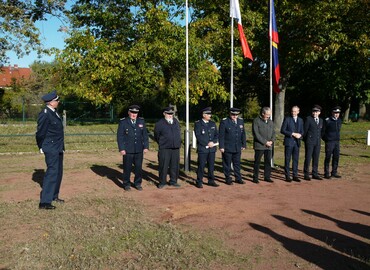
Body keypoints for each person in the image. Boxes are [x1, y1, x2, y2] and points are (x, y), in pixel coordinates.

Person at [35, 90, 64, 210]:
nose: (58, 102)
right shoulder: (45, 113)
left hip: (58, 147)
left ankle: (54, 195)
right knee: (51, 173)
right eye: (57, 100)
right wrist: (41, 146)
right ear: (51, 102)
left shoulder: (54, 112)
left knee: (58, 172)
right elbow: (40, 133)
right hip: (50, 147)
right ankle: (44, 202)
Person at [117, 105, 149, 191]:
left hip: (139, 149)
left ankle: (137, 183)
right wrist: (122, 148)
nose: (134, 114)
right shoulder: (123, 122)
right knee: (127, 168)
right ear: (129, 112)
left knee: (138, 168)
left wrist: (146, 146)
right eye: (132, 112)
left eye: (136, 113)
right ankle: (126, 184)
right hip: (128, 150)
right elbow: (120, 136)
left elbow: (145, 135)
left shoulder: (141, 121)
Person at [154, 106, 182, 188]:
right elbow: (157, 136)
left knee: (175, 165)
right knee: (163, 165)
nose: (170, 115)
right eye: (168, 114)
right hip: (165, 148)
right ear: (164, 114)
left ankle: (173, 181)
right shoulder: (159, 123)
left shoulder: (176, 122)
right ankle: (162, 182)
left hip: (175, 148)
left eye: (171, 114)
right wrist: (163, 142)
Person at [219, 107, 246, 185]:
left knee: (237, 163)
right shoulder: (224, 122)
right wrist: (221, 146)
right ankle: (228, 178)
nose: (235, 116)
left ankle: (238, 178)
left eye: (236, 115)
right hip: (227, 147)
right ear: (230, 114)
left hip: (237, 146)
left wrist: (243, 144)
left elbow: (243, 133)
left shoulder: (240, 121)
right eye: (233, 114)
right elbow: (221, 135)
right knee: (227, 164)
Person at [194, 107, 219, 188]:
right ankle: (199, 181)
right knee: (201, 165)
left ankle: (211, 180)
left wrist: (213, 142)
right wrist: (207, 143)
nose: (210, 115)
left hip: (212, 149)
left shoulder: (212, 123)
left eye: (210, 114)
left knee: (211, 166)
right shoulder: (198, 124)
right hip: (203, 148)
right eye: (208, 114)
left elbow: (216, 135)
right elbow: (198, 136)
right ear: (203, 115)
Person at [280, 106, 304, 182]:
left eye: (295, 111)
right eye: (292, 111)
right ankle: (287, 176)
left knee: (295, 160)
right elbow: (282, 130)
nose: (293, 113)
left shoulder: (300, 120)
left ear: (298, 111)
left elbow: (302, 131)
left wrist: (300, 135)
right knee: (287, 159)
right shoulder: (287, 119)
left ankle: (295, 175)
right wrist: (292, 134)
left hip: (297, 143)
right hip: (289, 142)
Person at [252, 107, 276, 183]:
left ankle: (267, 177)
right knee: (257, 162)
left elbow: (274, 133)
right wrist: (265, 142)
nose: (269, 116)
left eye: (270, 114)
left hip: (269, 146)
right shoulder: (256, 121)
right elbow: (256, 134)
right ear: (263, 113)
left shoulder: (271, 122)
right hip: (260, 145)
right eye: (267, 114)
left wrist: (271, 141)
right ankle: (255, 177)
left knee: (268, 162)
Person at [303, 105, 324, 180]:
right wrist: (307, 140)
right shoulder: (308, 119)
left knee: (316, 158)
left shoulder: (321, 120)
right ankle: (306, 174)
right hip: (310, 142)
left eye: (316, 112)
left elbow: (321, 131)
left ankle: (315, 173)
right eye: (314, 111)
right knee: (308, 158)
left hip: (317, 142)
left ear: (319, 112)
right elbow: (305, 131)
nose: (315, 113)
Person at [323, 106, 342, 179]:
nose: (336, 114)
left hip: (337, 142)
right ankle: (326, 173)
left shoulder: (339, 120)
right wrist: (327, 139)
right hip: (330, 142)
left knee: (336, 157)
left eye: (338, 113)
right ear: (332, 113)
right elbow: (323, 132)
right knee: (328, 157)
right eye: (335, 113)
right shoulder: (327, 120)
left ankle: (334, 172)